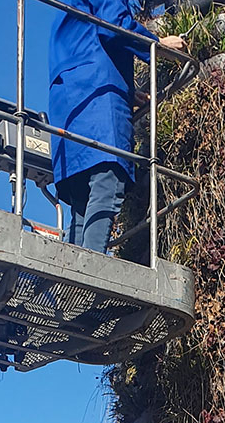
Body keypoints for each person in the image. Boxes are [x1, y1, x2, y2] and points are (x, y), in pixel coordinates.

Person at [49, 0, 185, 254]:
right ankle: (89, 273)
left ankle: (71, 280)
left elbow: (88, 42)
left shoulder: (65, 9)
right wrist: (157, 45)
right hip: (98, 96)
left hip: (69, 99)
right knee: (107, 179)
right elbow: (114, 24)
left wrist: (125, 88)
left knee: (81, 198)